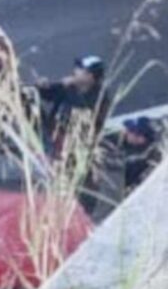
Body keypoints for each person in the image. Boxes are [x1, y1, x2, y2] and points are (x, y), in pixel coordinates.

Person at [36, 55, 111, 213]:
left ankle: (82, 208)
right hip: (57, 135)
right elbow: (49, 94)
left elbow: (84, 113)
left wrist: (69, 87)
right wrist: (43, 86)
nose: (75, 72)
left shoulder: (100, 97)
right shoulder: (70, 87)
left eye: (81, 70)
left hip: (79, 144)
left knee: (80, 177)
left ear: (90, 77)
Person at [121, 116, 161, 193]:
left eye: (136, 133)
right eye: (130, 131)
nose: (131, 135)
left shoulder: (150, 159)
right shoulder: (123, 152)